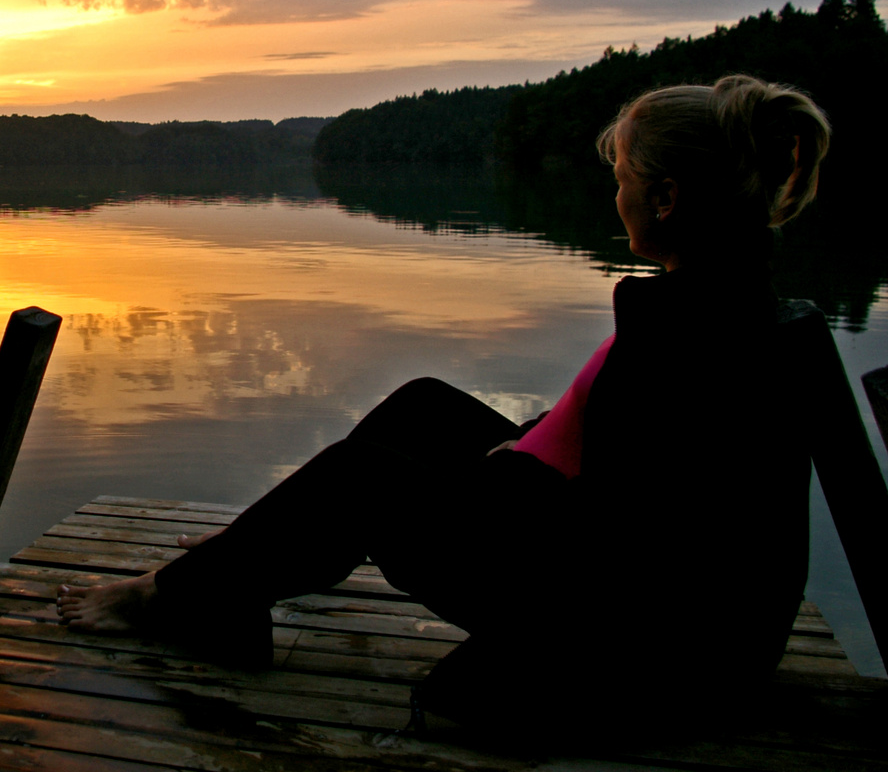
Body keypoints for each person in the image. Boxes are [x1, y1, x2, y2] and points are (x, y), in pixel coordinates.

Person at [56, 74, 832, 735]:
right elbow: (614, 460)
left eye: (622, 175)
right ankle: (242, 566)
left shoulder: (689, 339)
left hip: (650, 648)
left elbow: (620, 534)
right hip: (659, 599)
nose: (615, 191)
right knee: (424, 408)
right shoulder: (719, 301)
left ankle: (175, 596)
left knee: (363, 478)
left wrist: (482, 491)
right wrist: (505, 462)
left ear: (663, 197)